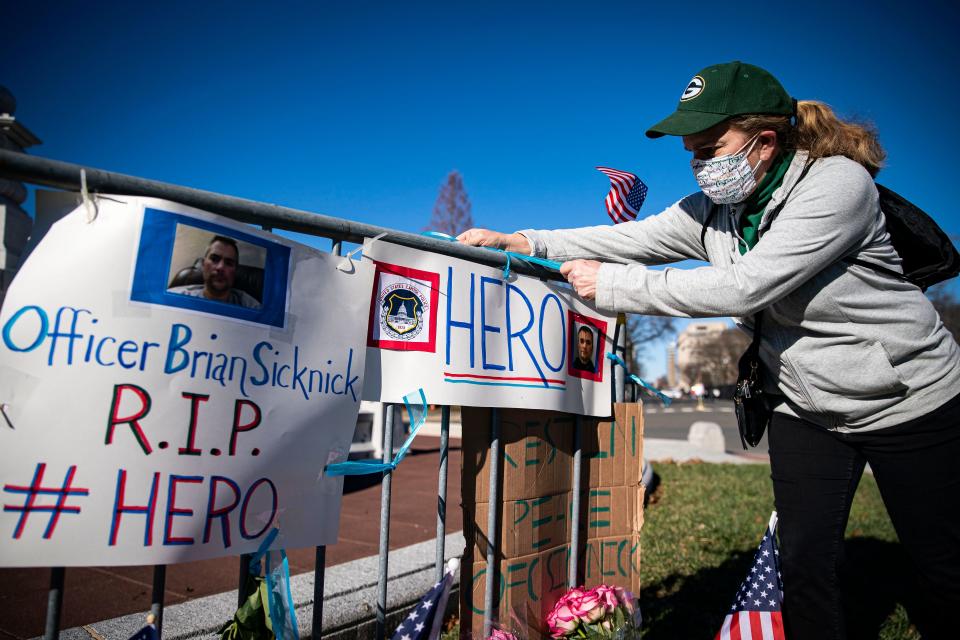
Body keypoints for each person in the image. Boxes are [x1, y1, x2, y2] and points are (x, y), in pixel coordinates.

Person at [458, 61, 960, 639]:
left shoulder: (837, 186)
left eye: (711, 148)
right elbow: (632, 238)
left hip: (910, 398)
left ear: (764, 141)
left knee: (940, 564)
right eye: (692, 153)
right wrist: (523, 239)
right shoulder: (715, 212)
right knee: (802, 563)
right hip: (807, 407)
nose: (701, 167)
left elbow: (747, 285)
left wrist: (616, 285)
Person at [169, 235, 261, 309]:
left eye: (229, 263)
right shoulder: (175, 298)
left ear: (235, 271)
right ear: (203, 264)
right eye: (214, 259)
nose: (220, 267)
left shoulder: (252, 307)